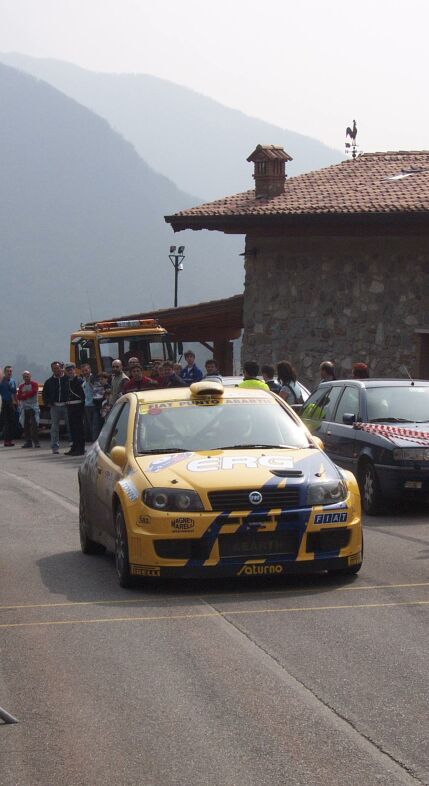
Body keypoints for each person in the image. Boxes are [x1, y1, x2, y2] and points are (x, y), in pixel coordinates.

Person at [42, 361, 70, 454]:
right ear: (52, 370)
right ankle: (55, 447)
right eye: (54, 368)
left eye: (57, 368)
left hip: (66, 406)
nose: (56, 370)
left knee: (70, 426)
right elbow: (44, 394)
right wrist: (48, 403)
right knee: (54, 428)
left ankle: (72, 444)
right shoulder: (49, 381)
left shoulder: (67, 379)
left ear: (61, 368)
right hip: (55, 407)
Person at [63, 362, 85, 456]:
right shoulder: (67, 381)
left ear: (74, 369)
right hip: (70, 406)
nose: (69, 371)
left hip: (78, 406)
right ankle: (74, 447)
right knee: (72, 429)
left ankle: (80, 449)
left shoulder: (79, 380)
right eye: (68, 370)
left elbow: (82, 394)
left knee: (78, 428)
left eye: (71, 369)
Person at [17, 371, 40, 448]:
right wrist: (26, 395)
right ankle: (28, 442)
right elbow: (19, 396)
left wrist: (25, 395)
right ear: (23, 378)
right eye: (25, 376)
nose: (26, 378)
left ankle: (36, 442)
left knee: (34, 425)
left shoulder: (34, 384)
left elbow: (33, 392)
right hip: (24, 408)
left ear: (30, 376)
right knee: (25, 426)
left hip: (33, 408)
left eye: (27, 376)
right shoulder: (21, 386)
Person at [80, 363, 98, 442]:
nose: (85, 372)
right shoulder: (84, 381)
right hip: (87, 406)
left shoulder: (94, 379)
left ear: (90, 370)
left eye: (86, 370)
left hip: (94, 405)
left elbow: (97, 390)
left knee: (95, 425)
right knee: (90, 425)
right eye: (83, 371)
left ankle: (96, 442)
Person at [0, 365, 17, 446]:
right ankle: (6, 441)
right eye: (8, 371)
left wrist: (17, 402)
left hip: (11, 403)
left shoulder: (13, 381)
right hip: (4, 402)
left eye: (10, 371)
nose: (9, 373)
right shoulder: (1, 381)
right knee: (6, 423)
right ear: (4, 372)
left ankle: (10, 440)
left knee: (12, 422)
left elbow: (14, 392)